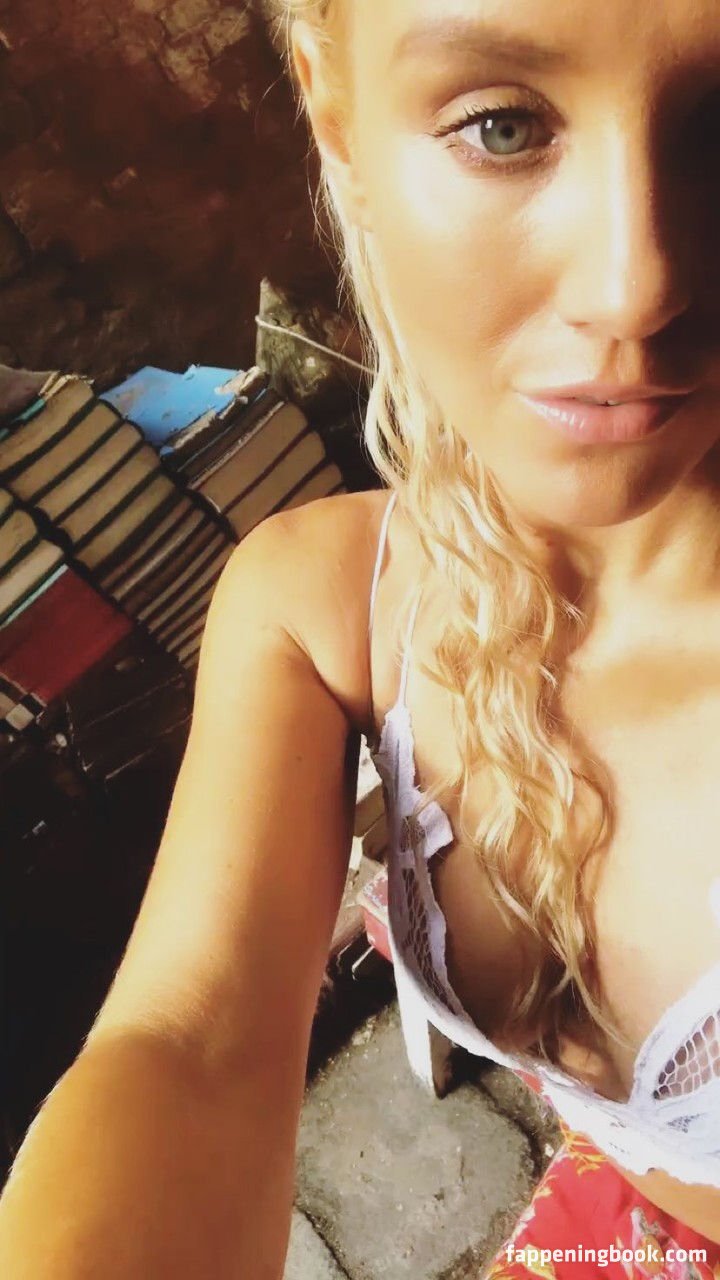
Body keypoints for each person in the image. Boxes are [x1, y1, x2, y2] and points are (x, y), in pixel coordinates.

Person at [2, 0, 720, 1275]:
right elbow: (186, 1050)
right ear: (337, 119)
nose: (639, 282)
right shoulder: (325, 602)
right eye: (503, 125)